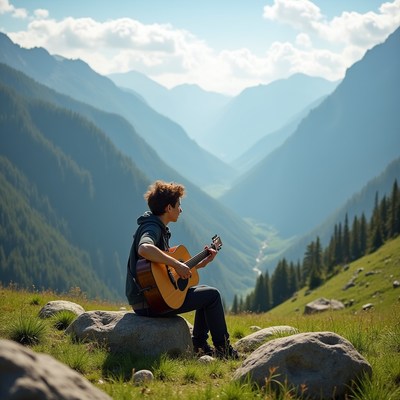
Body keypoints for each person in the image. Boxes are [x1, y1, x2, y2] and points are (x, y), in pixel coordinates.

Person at [126, 180, 238, 359]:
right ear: (169, 208)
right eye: (179, 205)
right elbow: (144, 249)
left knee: (204, 292)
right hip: (150, 302)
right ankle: (224, 350)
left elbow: (166, 273)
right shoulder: (152, 227)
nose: (181, 209)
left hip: (150, 298)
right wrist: (177, 263)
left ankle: (200, 344)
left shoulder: (158, 227)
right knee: (213, 296)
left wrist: (202, 262)